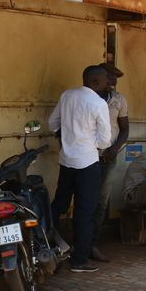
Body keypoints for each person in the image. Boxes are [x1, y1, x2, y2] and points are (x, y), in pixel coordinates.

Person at [49, 65, 111, 273]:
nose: (107, 84)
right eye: (104, 80)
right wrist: (88, 142)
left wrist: (67, 137)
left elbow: (52, 123)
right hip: (87, 164)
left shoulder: (67, 95)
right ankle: (79, 260)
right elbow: (104, 141)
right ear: (94, 82)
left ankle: (47, 245)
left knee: (59, 205)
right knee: (85, 212)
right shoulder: (98, 103)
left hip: (66, 161)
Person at [91, 63, 130, 262]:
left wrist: (115, 149)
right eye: (110, 76)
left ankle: (93, 244)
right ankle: (79, 242)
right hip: (87, 157)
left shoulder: (119, 100)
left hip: (108, 157)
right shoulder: (88, 97)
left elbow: (124, 129)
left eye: (116, 77)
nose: (114, 81)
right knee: (85, 200)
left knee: (101, 201)